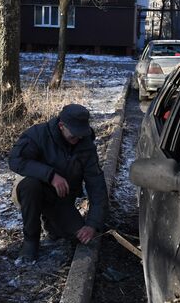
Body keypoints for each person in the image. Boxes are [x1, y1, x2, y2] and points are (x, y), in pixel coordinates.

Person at [8, 104, 108, 263]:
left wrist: (93, 224)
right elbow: (15, 160)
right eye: (74, 136)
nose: (78, 140)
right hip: (32, 192)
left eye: (81, 135)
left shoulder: (86, 146)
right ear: (61, 126)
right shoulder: (39, 134)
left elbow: (97, 186)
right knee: (30, 185)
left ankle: (51, 223)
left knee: (80, 236)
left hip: (61, 200)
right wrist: (50, 175)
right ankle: (30, 241)